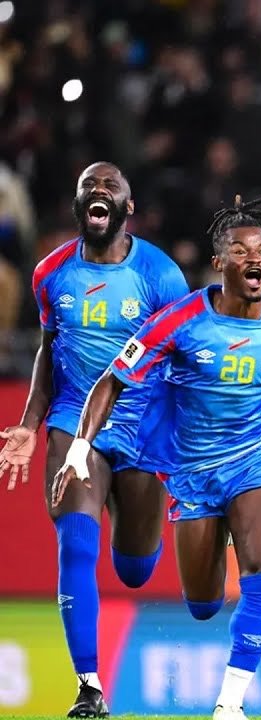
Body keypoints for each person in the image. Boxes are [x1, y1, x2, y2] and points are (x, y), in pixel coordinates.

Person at [51, 195, 261, 720]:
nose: (255, 258)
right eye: (241, 250)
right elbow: (112, 379)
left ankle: (230, 704)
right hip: (193, 473)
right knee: (203, 605)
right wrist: (80, 451)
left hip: (258, 462)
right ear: (220, 263)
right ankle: (210, 540)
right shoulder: (180, 321)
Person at [0, 162, 188, 718]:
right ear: (79, 207)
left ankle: (129, 522)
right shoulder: (50, 274)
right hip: (70, 421)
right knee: (76, 543)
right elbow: (46, 350)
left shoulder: (161, 276)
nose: (98, 192)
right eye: (88, 187)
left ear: (128, 209)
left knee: (135, 568)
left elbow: (183, 359)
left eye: (110, 187)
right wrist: (31, 429)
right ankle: (89, 687)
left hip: (141, 428)